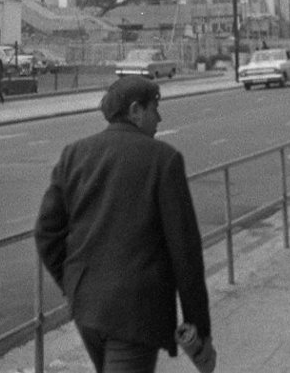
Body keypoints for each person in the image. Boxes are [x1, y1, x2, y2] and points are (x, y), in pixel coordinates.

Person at [34, 75, 215, 373]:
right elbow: (186, 253)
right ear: (135, 111)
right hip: (137, 312)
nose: (160, 117)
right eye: (154, 108)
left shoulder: (74, 154)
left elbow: (46, 232)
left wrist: (73, 284)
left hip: (87, 308)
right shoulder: (164, 160)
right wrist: (200, 330)